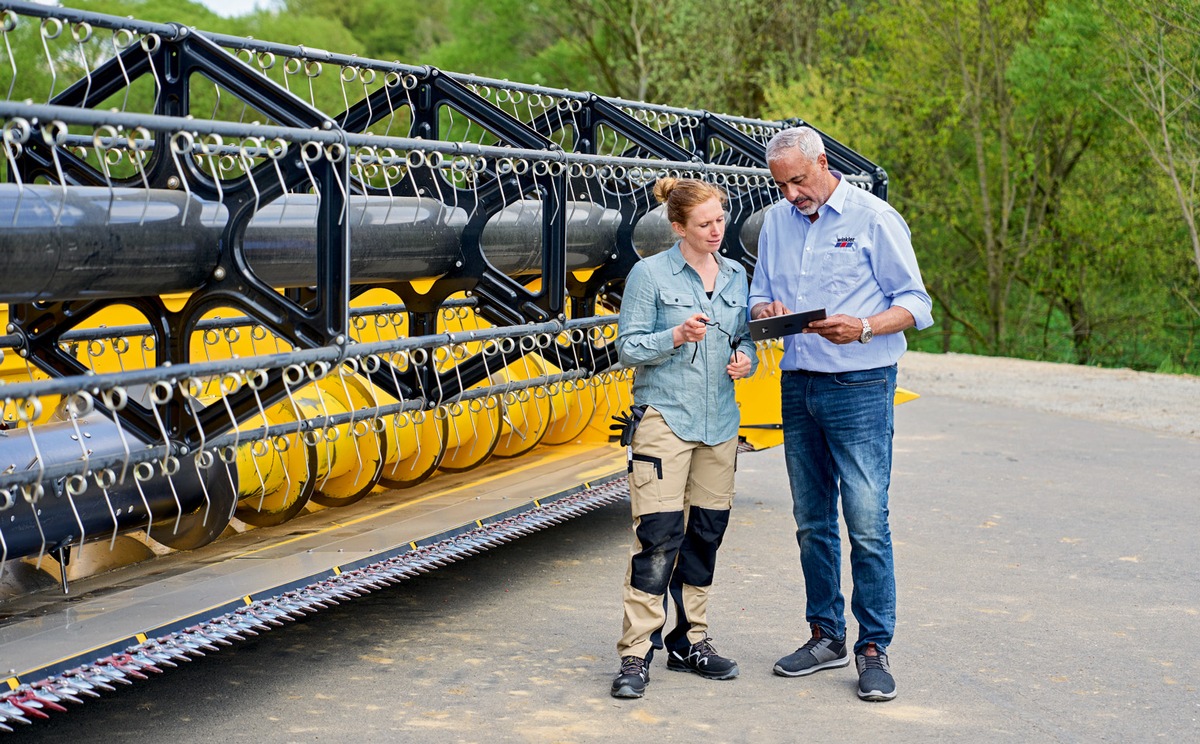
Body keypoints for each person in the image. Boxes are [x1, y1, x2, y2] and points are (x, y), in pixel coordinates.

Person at [748, 126, 933, 702]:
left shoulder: (875, 219)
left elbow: (917, 304)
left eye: (798, 181)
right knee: (811, 522)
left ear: (823, 163)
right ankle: (825, 635)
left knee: (867, 522)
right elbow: (757, 296)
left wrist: (864, 327)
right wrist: (768, 310)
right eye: (781, 184)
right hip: (798, 382)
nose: (791, 194)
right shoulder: (776, 221)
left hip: (860, 383)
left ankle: (873, 646)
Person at [610, 177, 758, 699]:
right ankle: (635, 653)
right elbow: (626, 349)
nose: (717, 231)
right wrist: (674, 336)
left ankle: (690, 640)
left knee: (706, 534)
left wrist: (747, 361)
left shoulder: (738, 276)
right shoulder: (649, 275)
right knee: (657, 537)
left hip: (720, 424)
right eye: (704, 224)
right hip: (665, 420)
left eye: (721, 220)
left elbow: (744, 339)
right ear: (678, 228)